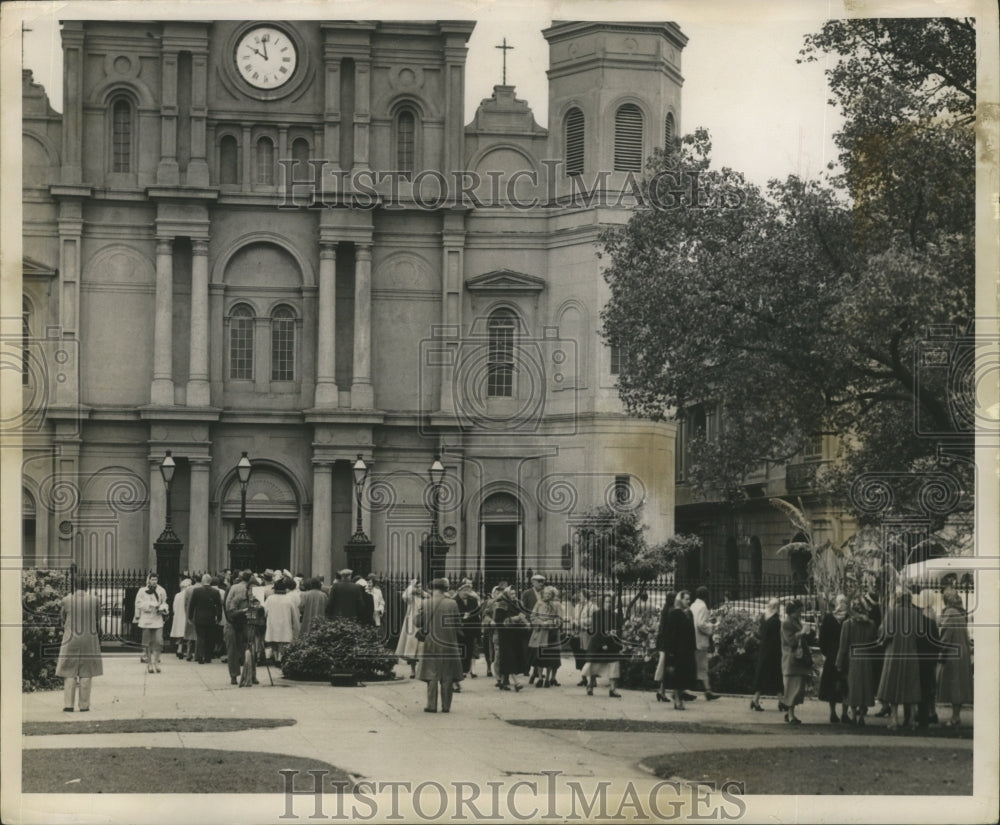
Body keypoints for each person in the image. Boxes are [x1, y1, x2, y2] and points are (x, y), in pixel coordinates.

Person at [415, 578, 465, 713]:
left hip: (431, 642)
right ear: (445, 589)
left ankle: (431, 705)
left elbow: (417, 623)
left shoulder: (425, 603)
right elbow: (458, 625)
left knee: (432, 674)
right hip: (448, 643)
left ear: (432, 588)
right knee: (447, 675)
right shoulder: (452, 603)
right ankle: (446, 706)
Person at [875, 590, 921, 730]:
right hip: (910, 653)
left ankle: (894, 719)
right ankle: (912, 720)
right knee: (911, 686)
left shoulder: (892, 612)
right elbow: (920, 633)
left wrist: (881, 642)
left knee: (893, 686)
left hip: (894, 653)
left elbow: (886, 633)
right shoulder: (916, 614)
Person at [56, 577, 103, 712]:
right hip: (89, 639)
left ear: (74, 586)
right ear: (87, 586)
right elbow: (98, 617)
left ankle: (68, 705)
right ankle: (84, 705)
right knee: (86, 673)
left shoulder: (66, 600)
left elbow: (62, 618)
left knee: (69, 672)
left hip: (70, 639)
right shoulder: (94, 600)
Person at [836, 597, 877, 726]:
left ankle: (853, 715)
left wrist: (838, 663)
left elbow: (843, 646)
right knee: (865, 686)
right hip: (866, 657)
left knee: (853, 686)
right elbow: (874, 642)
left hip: (852, 657)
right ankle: (862, 716)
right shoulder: (871, 624)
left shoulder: (847, 624)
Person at [936, 589, 973, 726]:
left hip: (953, 654)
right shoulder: (960, 614)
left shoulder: (950, 614)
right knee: (958, 685)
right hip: (962, 652)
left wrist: (940, 653)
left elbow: (945, 637)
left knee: (954, 685)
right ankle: (956, 715)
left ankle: (955, 717)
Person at [661, 591, 698, 709]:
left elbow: (692, 632)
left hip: (688, 649)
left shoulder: (689, 613)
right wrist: (670, 650)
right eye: (686, 599)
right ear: (680, 600)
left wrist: (693, 647)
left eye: (689, 599)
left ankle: (679, 696)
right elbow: (671, 634)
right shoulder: (674, 613)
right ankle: (677, 699)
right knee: (678, 676)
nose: (688, 601)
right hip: (677, 649)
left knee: (685, 676)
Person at [583, 593, 623, 698]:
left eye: (610, 602)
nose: (608, 604)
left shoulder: (615, 615)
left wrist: (617, 639)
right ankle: (590, 686)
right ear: (602, 603)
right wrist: (602, 643)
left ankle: (613, 689)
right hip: (598, 643)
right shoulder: (596, 614)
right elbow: (596, 630)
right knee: (594, 666)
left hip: (612, 644)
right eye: (606, 602)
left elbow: (619, 629)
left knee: (614, 665)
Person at [780, 599, 813, 724]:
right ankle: (790, 714)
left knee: (797, 689)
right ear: (793, 611)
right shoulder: (787, 623)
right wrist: (801, 633)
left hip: (798, 661)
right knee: (792, 689)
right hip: (792, 660)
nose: (801, 613)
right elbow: (790, 641)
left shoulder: (796, 621)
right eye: (799, 611)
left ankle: (790, 713)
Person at [818, 594, 849, 723]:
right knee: (845, 684)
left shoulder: (829, 618)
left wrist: (826, 652)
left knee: (832, 684)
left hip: (832, 655)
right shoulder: (848, 618)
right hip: (845, 655)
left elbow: (822, 638)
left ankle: (833, 712)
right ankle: (844, 713)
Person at [492, 585, 529, 691]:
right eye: (511, 593)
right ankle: (516, 683)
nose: (514, 595)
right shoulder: (501, 605)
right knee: (509, 659)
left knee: (509, 659)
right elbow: (499, 622)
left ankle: (504, 682)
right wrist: (515, 618)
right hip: (505, 636)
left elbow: (522, 615)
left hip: (514, 635)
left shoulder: (515, 604)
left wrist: (525, 623)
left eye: (514, 593)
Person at [750, 598, 783, 711]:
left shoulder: (764, 618)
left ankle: (756, 700)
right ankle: (781, 701)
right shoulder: (775, 621)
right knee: (777, 676)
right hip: (773, 652)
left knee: (764, 677)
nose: (779, 608)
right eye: (778, 606)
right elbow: (777, 639)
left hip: (765, 651)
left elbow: (761, 634)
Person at [529, 586, 563, 688]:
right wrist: (540, 622)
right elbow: (533, 616)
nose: (547, 596)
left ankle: (548, 679)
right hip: (540, 633)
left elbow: (560, 619)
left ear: (552, 595)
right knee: (539, 657)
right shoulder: (539, 603)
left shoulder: (557, 604)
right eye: (545, 594)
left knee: (550, 657)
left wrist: (550, 622)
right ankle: (540, 678)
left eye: (549, 594)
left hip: (551, 634)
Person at [133, 573, 168, 673]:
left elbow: (164, 602)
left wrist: (163, 608)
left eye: (156, 580)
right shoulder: (142, 591)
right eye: (152, 579)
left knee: (158, 642)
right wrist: (148, 605)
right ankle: (149, 665)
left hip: (157, 619)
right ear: (149, 580)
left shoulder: (161, 590)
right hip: (146, 619)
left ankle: (156, 663)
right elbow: (138, 604)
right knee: (147, 643)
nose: (154, 581)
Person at [690, 586, 719, 700]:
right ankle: (707, 691)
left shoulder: (693, 605)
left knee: (698, 666)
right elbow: (701, 624)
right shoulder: (702, 607)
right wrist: (712, 626)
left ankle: (708, 690)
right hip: (700, 641)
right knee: (701, 666)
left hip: (694, 640)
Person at [187, 573, 223, 664]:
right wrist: (219, 617)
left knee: (200, 637)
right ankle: (208, 657)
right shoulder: (215, 592)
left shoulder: (197, 591)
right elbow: (219, 606)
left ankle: (200, 656)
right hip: (211, 618)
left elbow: (192, 605)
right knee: (210, 638)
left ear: (203, 581)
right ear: (210, 581)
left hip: (199, 617)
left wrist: (190, 617)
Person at [264, 577, 300, 664]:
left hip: (272, 624)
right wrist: (296, 627)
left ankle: (275, 658)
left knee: (274, 642)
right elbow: (294, 615)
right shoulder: (289, 599)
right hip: (285, 625)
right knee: (283, 643)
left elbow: (265, 613)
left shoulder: (270, 599)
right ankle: (280, 658)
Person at [224, 570, 251, 685]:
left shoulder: (235, 588)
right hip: (236, 622)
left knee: (236, 650)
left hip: (238, 622)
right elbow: (231, 610)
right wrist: (245, 611)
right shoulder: (239, 590)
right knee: (246, 649)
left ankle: (237, 675)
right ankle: (246, 675)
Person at [396, 578, 425, 678]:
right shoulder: (411, 598)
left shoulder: (425, 597)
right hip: (412, 623)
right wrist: (411, 586)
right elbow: (405, 595)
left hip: (423, 623)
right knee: (412, 646)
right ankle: (413, 670)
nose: (420, 589)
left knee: (422, 647)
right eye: (418, 587)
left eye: (421, 587)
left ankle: (421, 670)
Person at [453, 578, 482, 679]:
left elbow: (477, 615)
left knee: (468, 652)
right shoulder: (454, 601)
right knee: (459, 652)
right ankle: (459, 672)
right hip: (458, 632)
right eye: (464, 590)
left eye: (468, 590)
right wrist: (462, 618)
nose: (467, 593)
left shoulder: (472, 600)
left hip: (470, 633)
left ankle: (465, 670)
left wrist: (478, 633)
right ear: (459, 591)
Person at [521, 574, 546, 683]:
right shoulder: (527, 593)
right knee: (529, 649)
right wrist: (527, 622)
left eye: (542, 581)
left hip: (541, 626)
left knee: (538, 649)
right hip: (530, 625)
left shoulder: (544, 593)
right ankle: (527, 669)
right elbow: (523, 609)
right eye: (539, 581)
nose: (541, 583)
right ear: (533, 582)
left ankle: (536, 671)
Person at [569, 589, 596, 685]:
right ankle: (583, 678)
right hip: (577, 633)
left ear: (586, 596)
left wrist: (579, 622)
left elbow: (593, 620)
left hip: (587, 633)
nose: (579, 597)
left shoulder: (593, 607)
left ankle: (593, 679)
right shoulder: (577, 606)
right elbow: (574, 618)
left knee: (588, 655)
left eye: (581, 595)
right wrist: (573, 622)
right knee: (579, 655)